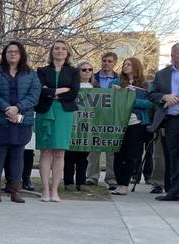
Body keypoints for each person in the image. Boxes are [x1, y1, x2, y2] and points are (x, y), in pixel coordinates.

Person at [0, 41, 38, 203]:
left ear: (21, 54)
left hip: (21, 120)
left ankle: (15, 190)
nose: (13, 54)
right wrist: (7, 109)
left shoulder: (31, 73)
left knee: (18, 154)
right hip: (0, 119)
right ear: (4, 54)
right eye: (9, 51)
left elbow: (34, 95)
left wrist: (17, 108)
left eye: (16, 51)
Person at [34, 39, 80, 202]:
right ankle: (45, 190)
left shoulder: (74, 72)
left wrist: (51, 92)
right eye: (56, 48)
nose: (59, 51)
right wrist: (59, 91)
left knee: (60, 151)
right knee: (45, 151)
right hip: (45, 111)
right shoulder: (42, 70)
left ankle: (55, 190)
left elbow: (73, 93)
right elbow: (39, 90)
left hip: (64, 112)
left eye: (63, 49)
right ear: (51, 51)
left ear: (67, 53)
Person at [111, 57, 153, 195]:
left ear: (136, 67)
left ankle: (124, 184)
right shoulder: (115, 82)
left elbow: (149, 104)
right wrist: (118, 93)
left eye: (129, 64)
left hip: (137, 123)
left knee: (131, 154)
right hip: (119, 122)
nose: (125, 66)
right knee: (118, 153)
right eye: (124, 64)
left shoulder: (146, 85)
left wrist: (131, 99)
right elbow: (110, 100)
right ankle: (118, 182)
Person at [148, 42, 179, 201]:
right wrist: (164, 97)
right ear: (172, 55)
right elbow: (151, 94)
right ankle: (173, 191)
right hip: (172, 120)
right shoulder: (162, 74)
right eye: (178, 53)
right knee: (173, 156)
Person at [87, 50, 121, 188]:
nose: (106, 63)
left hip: (113, 118)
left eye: (109, 61)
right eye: (104, 60)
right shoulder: (92, 77)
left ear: (114, 63)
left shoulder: (119, 79)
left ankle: (111, 178)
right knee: (93, 149)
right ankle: (91, 177)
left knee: (111, 150)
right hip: (95, 117)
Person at [64, 61, 96, 191]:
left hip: (88, 125)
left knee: (83, 156)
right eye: (84, 70)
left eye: (90, 69)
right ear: (78, 72)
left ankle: (81, 182)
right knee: (70, 155)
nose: (87, 72)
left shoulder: (96, 87)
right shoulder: (72, 86)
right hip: (73, 123)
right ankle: (68, 182)